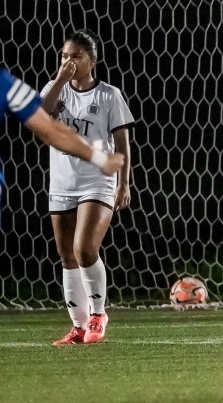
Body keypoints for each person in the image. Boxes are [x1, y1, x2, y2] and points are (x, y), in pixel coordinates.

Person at [40, 29, 135, 346]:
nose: (68, 61)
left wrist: (125, 183)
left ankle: (98, 314)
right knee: (67, 255)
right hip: (62, 182)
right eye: (64, 56)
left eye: (75, 56)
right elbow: (40, 117)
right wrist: (59, 80)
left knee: (84, 249)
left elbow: (122, 140)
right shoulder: (56, 90)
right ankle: (79, 327)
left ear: (92, 61)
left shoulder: (109, 95)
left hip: (98, 181)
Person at [1, 67, 125, 210]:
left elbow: (50, 129)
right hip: (61, 187)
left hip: (95, 186)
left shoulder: (109, 94)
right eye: (65, 56)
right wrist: (101, 159)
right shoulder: (4, 82)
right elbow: (50, 130)